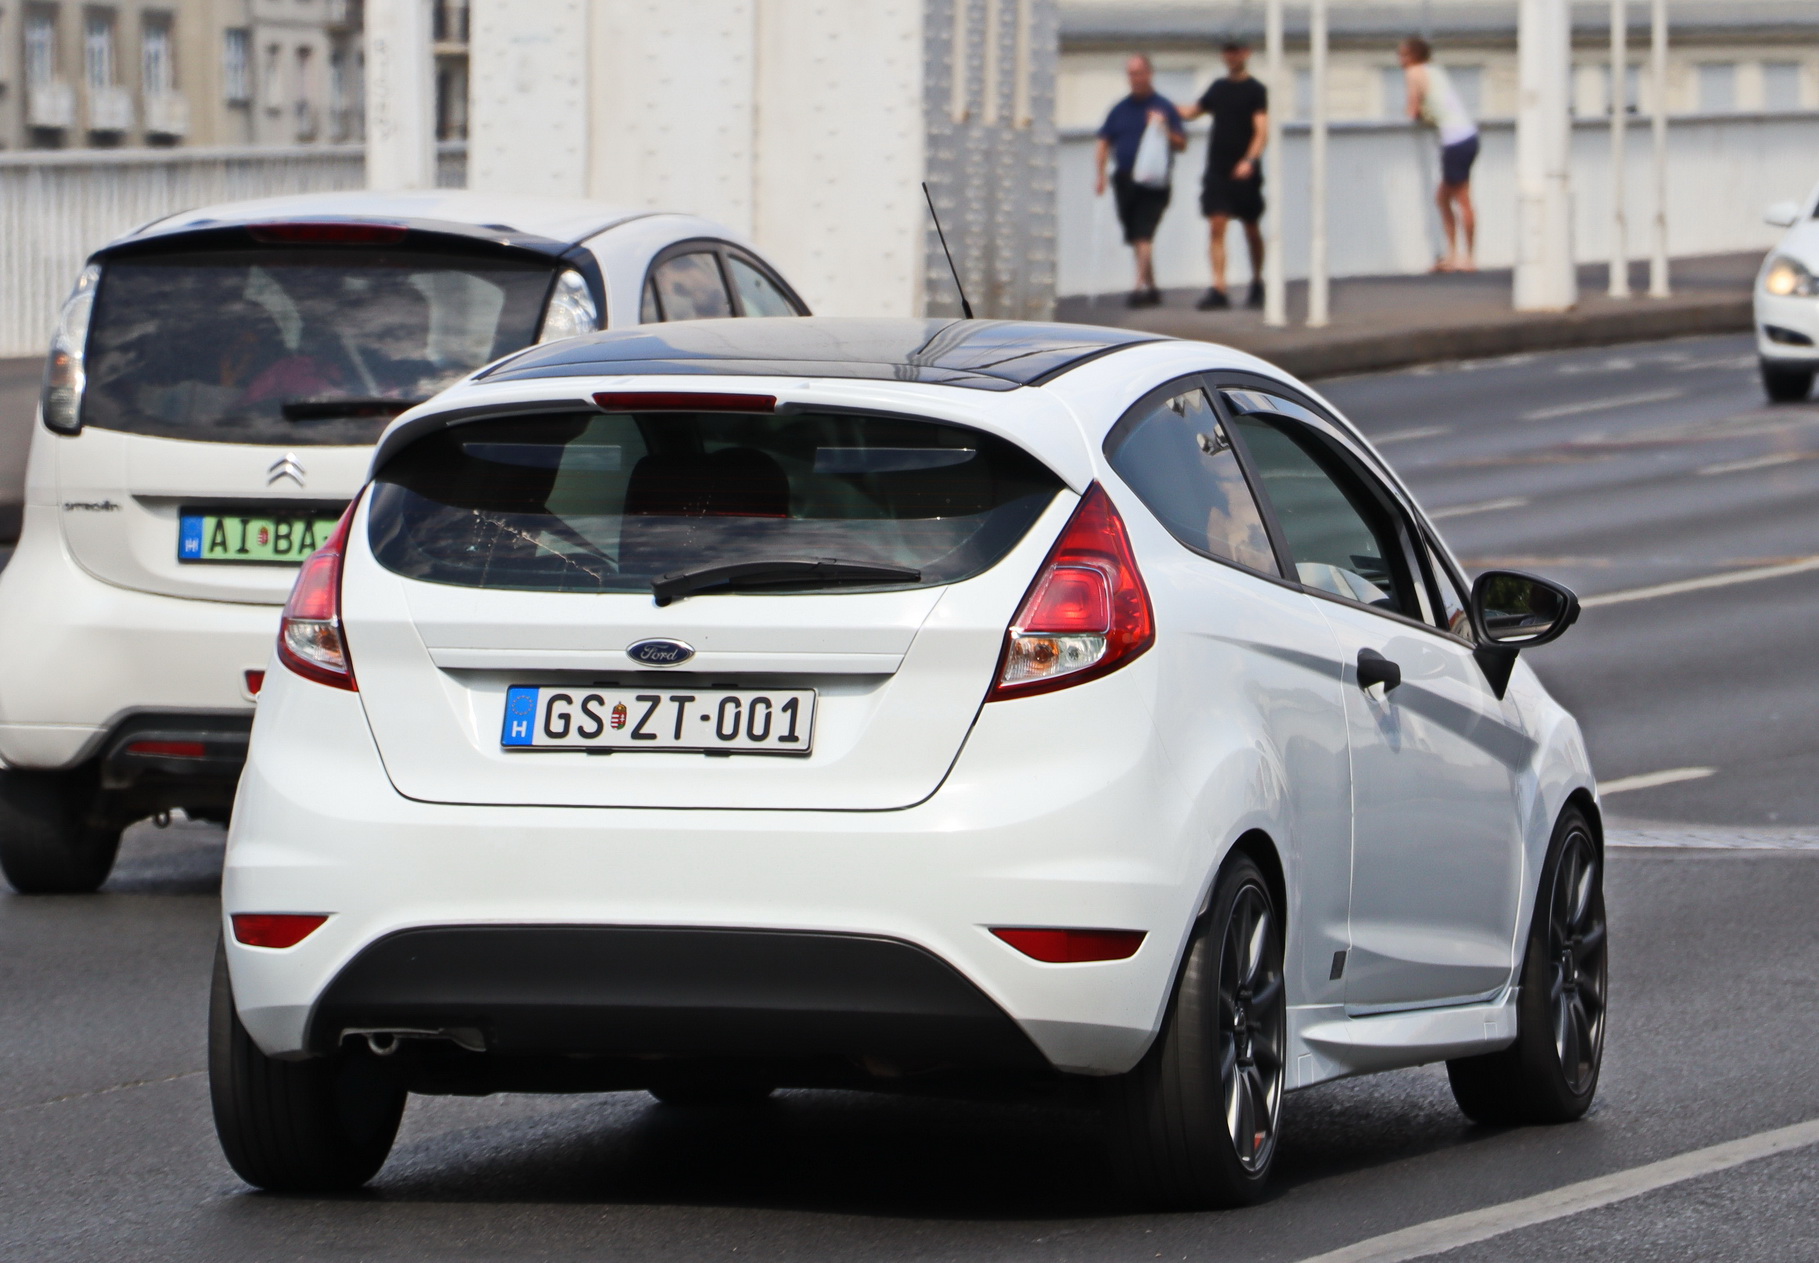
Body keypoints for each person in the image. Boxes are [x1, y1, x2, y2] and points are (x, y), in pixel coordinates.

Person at [1180, 40, 1269, 310]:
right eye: (1228, 52)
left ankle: (1257, 282)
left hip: (1245, 172)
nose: (1231, 56)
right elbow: (1193, 111)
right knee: (1216, 226)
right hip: (1218, 170)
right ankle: (1219, 287)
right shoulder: (1218, 88)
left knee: (1251, 228)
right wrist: (1162, 107)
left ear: (1246, 54)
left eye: (1236, 51)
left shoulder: (1256, 90)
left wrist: (1250, 160)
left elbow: (1261, 131)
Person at [1095, 54, 1186, 308]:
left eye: (1139, 73)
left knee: (1144, 231)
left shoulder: (1163, 107)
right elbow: (1103, 142)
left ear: (1149, 74)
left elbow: (1181, 143)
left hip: (1153, 182)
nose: (1135, 79)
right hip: (1125, 180)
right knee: (1137, 235)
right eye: (1131, 74)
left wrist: (1162, 127)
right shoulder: (1120, 109)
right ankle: (1152, 287)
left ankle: (1137, 287)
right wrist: (1100, 174)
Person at [1400, 36, 1479, 272]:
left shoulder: (1413, 73)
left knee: (1460, 199)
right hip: (1467, 136)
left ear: (1414, 56)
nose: (1400, 60)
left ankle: (1465, 258)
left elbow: (1413, 110)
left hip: (1454, 140)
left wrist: (1417, 112)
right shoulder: (1435, 70)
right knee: (1445, 198)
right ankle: (1455, 255)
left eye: (1403, 55)